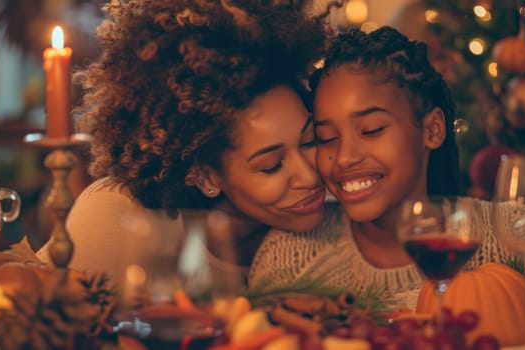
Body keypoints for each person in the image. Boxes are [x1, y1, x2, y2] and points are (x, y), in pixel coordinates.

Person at [249, 26, 525, 308]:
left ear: (431, 130)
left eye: (372, 129)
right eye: (326, 138)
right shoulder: (287, 261)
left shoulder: (519, 239)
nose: (344, 157)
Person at [36, 0, 344, 289]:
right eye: (271, 165)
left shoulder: (333, 228)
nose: (309, 175)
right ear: (205, 176)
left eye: (310, 141)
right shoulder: (116, 216)